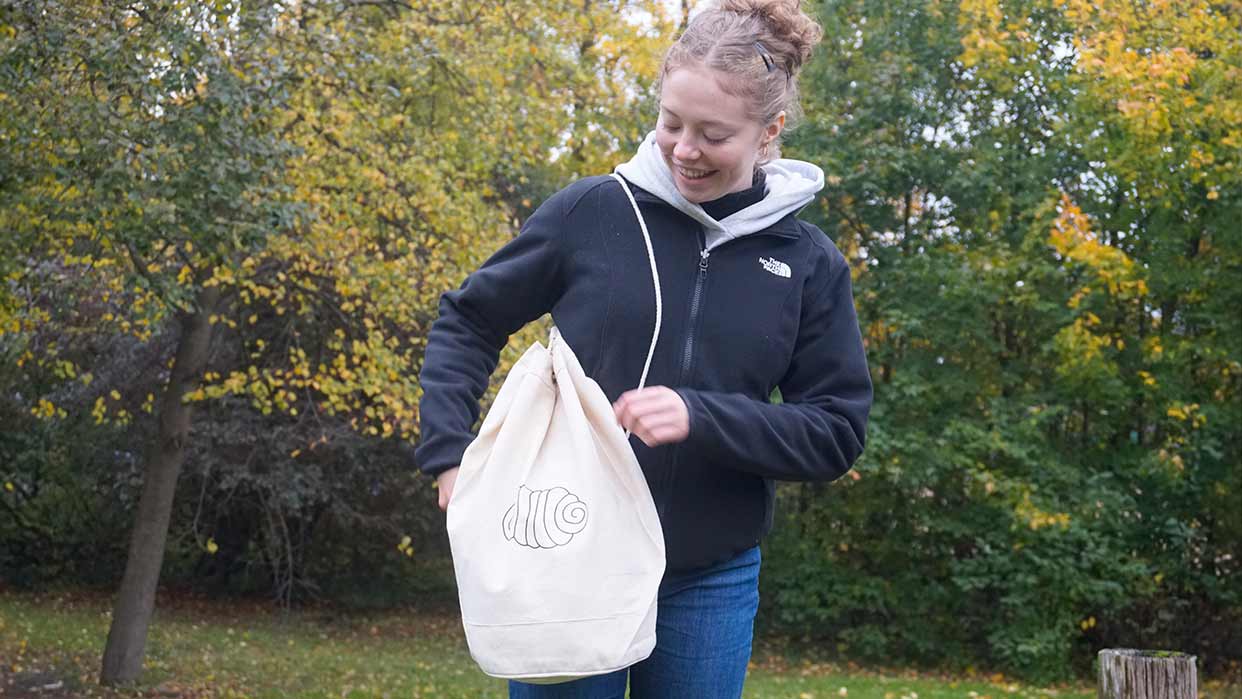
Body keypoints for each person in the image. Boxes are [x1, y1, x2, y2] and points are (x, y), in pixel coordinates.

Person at [415, 0, 872, 696]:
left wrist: (703, 417)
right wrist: (450, 454)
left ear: (769, 131)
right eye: (670, 122)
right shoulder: (593, 211)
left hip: (708, 578)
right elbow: (468, 319)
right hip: (566, 562)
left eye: (712, 133)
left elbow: (836, 431)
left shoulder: (807, 263)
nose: (684, 148)